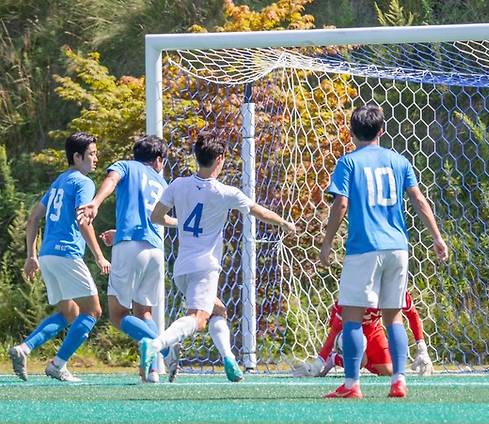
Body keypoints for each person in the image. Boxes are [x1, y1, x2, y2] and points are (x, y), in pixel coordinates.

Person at [142, 131, 296, 382]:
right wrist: (284, 223)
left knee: (218, 312)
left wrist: (180, 223)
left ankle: (229, 360)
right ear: (220, 159)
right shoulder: (225, 192)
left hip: (181, 268)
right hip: (205, 268)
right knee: (198, 319)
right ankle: (156, 346)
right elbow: (258, 211)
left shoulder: (177, 184)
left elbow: (156, 217)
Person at [320, 104, 448, 399]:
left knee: (352, 316)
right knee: (394, 318)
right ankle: (399, 381)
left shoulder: (348, 163)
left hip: (364, 248)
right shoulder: (399, 161)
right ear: (382, 130)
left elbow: (340, 204)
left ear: (351, 133)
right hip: (398, 248)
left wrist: (327, 243)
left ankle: (351, 385)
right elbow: (418, 199)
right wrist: (437, 238)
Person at [8, 132, 110, 382]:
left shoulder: (58, 182)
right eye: (91, 154)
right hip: (66, 254)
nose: (95, 159)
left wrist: (31, 255)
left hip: (47, 255)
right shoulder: (83, 182)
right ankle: (58, 364)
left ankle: (24, 348)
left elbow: (33, 218)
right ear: (77, 157)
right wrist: (99, 256)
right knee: (93, 311)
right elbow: (83, 219)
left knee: (69, 311)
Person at [76, 135, 179, 383]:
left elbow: (111, 180)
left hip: (129, 248)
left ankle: (165, 347)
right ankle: (152, 371)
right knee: (144, 313)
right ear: (158, 160)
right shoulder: (161, 181)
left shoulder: (125, 166)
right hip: (155, 250)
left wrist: (95, 203)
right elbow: (156, 218)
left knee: (117, 314)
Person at [293, 291, 433, 377]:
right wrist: (318, 363)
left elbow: (412, 315)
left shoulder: (397, 291)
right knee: (359, 361)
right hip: (350, 327)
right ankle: (335, 358)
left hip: (373, 328)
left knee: (390, 371)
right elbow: (335, 330)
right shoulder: (357, 293)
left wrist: (422, 348)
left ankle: (360, 358)